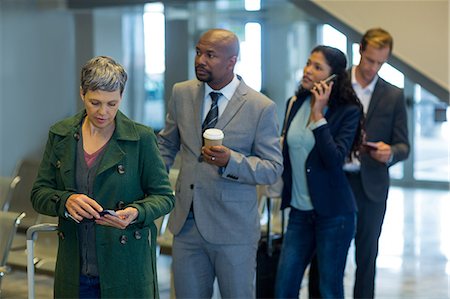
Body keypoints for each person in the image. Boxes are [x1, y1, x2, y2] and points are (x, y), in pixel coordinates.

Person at [31, 56, 175, 298]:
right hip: (75, 267)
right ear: (81, 93)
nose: (103, 112)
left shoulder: (141, 138)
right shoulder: (61, 135)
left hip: (126, 267)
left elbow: (164, 196)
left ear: (121, 96)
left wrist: (137, 212)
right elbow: (39, 193)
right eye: (95, 102)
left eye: (112, 103)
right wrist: (65, 201)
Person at [158, 28, 283, 298]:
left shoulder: (260, 107)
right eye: (198, 52)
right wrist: (152, 183)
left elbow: (273, 167)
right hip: (186, 225)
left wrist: (231, 161)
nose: (200, 59)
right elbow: (167, 144)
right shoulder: (182, 93)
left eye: (210, 55)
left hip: (234, 230)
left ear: (231, 61)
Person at [274, 45, 364, 299]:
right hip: (299, 213)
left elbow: (334, 159)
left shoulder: (348, 112)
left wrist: (318, 115)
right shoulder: (295, 102)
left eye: (317, 67)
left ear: (333, 77)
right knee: (284, 288)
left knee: (329, 290)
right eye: (308, 63)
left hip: (335, 215)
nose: (308, 70)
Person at [349, 28, 410, 298]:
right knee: (328, 255)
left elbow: (404, 146)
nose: (373, 68)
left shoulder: (393, 95)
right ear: (360, 50)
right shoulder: (337, 85)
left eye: (380, 63)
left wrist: (391, 153)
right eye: (370, 60)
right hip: (336, 182)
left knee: (367, 257)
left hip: (372, 187)